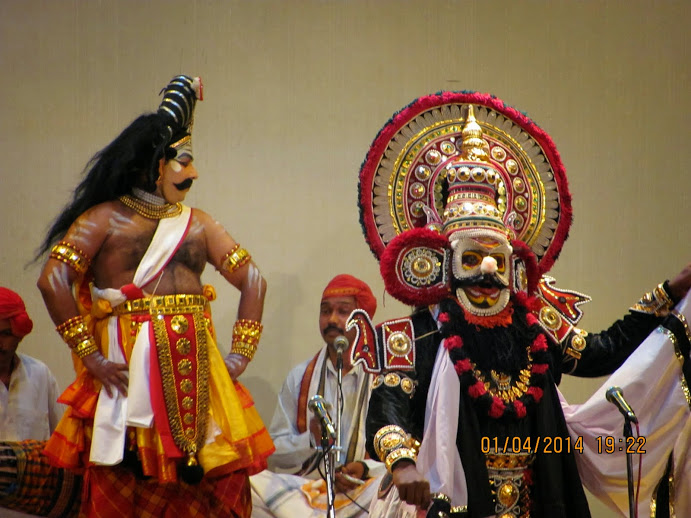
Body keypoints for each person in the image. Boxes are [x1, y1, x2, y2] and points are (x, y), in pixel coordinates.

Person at [352, 92, 691, 517]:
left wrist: (670, 293)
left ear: (514, 265)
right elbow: (389, 407)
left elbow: (601, 351)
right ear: (442, 263)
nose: (487, 272)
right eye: (471, 259)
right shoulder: (417, 334)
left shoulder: (535, 326)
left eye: (497, 260)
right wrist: (402, 465)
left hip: (537, 499)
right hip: (454, 502)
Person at [30, 74, 274, 518]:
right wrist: (92, 358)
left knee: (216, 484)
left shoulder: (198, 223)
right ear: (154, 165)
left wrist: (239, 356)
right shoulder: (104, 219)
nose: (193, 173)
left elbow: (253, 279)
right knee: (125, 480)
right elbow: (53, 280)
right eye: (184, 162)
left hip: (199, 369)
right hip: (129, 369)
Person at [251, 274, 385, 518]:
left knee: (397, 489)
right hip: (309, 491)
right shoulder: (300, 377)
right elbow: (275, 451)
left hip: (365, 490)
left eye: (343, 311)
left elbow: (405, 447)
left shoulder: (385, 378)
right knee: (251, 485)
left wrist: (365, 468)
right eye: (325, 311)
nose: (332, 319)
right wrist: (310, 440)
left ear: (363, 320)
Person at [0, 288, 65, 518]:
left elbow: (61, 442)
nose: (0, 343)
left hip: (35, 508)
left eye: (5, 334)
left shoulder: (40, 374)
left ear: (20, 334)